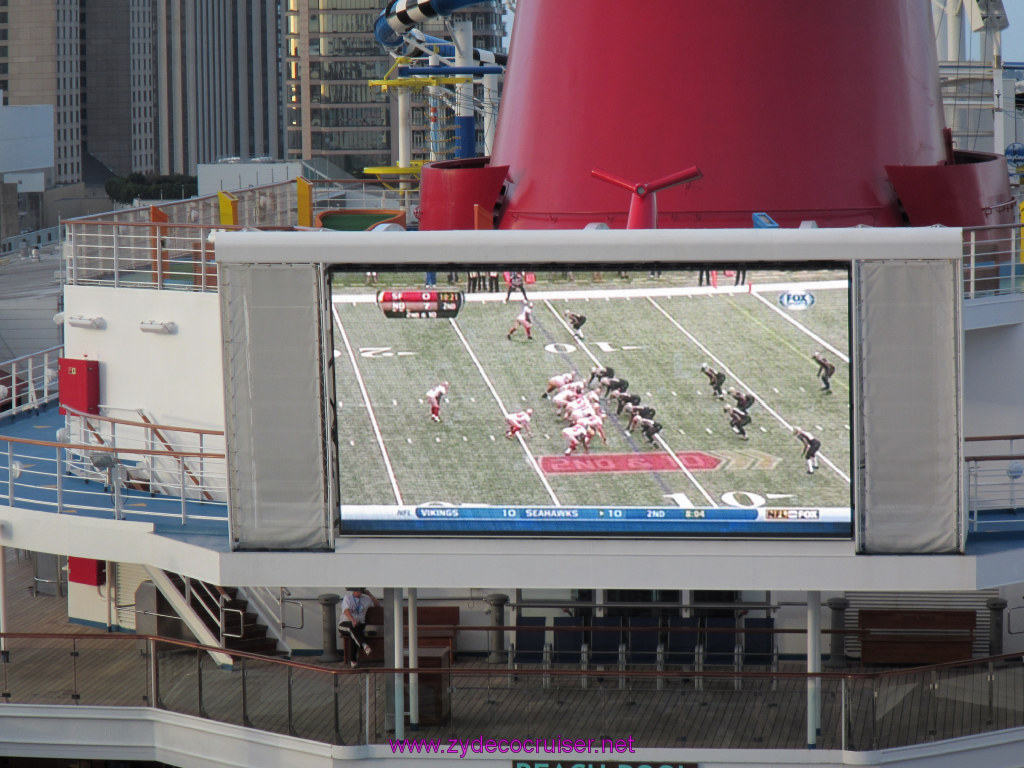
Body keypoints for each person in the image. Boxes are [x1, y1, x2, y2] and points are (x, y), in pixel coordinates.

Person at [338, 587, 380, 668]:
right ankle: (364, 645)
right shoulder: (348, 598)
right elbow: (346, 610)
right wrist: (353, 620)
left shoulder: (366, 599)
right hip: (346, 623)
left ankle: (353, 661)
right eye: (358, 590)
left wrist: (369, 594)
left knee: (354, 635)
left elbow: (377, 605)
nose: (359, 592)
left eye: (361, 590)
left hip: (359, 625)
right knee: (352, 630)